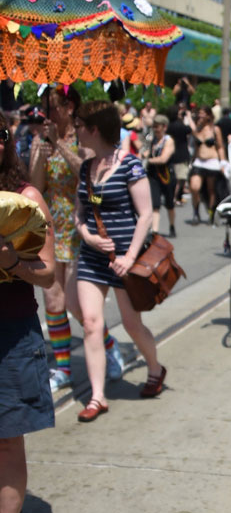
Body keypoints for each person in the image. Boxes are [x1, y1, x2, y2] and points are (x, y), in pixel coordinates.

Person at [73, 101, 166, 420]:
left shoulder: (130, 165)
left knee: (131, 323)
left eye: (79, 125)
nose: (76, 130)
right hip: (92, 258)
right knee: (91, 323)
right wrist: (87, 236)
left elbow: (145, 215)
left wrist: (129, 257)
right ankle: (97, 396)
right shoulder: (86, 167)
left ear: (94, 129)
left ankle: (155, 369)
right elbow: (79, 213)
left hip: (125, 261)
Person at [28, 85, 124, 394]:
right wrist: (40, 154)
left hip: (80, 229)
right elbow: (36, 186)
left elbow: (87, 174)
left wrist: (58, 145)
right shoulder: (41, 141)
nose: (49, 113)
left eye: (53, 107)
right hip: (50, 228)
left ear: (70, 107)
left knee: (78, 305)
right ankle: (63, 368)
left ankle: (108, 345)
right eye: (46, 107)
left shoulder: (83, 139)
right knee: (53, 302)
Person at [0, 111, 56, 513]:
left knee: (5, 440)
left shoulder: (26, 199)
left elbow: (48, 272)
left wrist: (12, 261)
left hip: (10, 332)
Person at [187, 106, 225, 224]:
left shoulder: (215, 129)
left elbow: (220, 147)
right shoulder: (197, 129)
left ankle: (211, 212)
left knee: (211, 190)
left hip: (212, 162)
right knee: (194, 187)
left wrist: (223, 162)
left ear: (209, 115)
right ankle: (196, 212)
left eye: (203, 113)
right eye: (200, 113)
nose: (201, 115)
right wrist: (188, 114)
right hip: (199, 162)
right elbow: (195, 146)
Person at [145, 114, 177, 237]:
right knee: (155, 204)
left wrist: (147, 161)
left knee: (169, 204)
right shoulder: (153, 140)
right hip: (153, 175)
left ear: (164, 127)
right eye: (154, 126)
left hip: (166, 175)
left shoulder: (169, 141)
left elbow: (164, 159)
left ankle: (172, 226)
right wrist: (142, 155)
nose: (155, 129)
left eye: (157, 126)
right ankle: (155, 231)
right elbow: (148, 152)